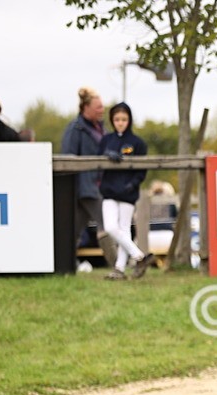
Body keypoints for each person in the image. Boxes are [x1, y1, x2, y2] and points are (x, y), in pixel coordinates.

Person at [97, 101, 157, 280]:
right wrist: (107, 155)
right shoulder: (106, 140)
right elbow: (99, 159)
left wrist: (133, 183)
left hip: (127, 192)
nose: (120, 122)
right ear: (112, 120)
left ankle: (119, 269)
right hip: (109, 190)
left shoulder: (138, 143)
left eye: (124, 119)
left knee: (124, 228)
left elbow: (142, 169)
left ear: (129, 120)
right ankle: (139, 255)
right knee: (110, 227)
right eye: (117, 119)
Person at [61, 87, 112, 267]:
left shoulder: (100, 128)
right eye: (98, 107)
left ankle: (65, 264)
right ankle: (116, 264)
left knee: (74, 229)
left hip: (98, 184)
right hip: (85, 186)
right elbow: (67, 158)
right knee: (106, 223)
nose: (102, 110)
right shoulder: (76, 129)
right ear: (86, 108)